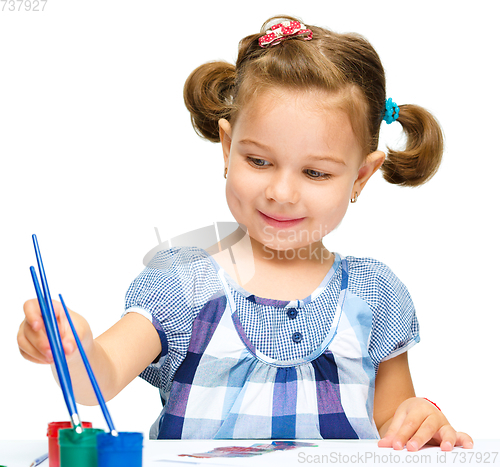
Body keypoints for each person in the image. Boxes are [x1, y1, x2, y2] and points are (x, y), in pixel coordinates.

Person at [18, 16, 473, 451]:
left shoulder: (376, 294)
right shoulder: (184, 283)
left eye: (315, 172)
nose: (280, 191)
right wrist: (71, 351)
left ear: (361, 177)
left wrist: (419, 419)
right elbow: (102, 375)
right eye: (258, 161)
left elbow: (393, 427)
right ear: (228, 147)